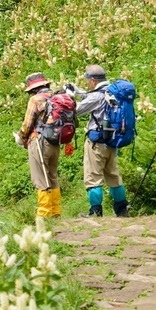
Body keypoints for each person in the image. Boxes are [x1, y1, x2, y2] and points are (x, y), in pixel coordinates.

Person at [65, 66, 129, 217]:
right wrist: (78, 90)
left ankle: (95, 211)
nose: (87, 83)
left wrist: (69, 97)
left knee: (93, 177)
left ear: (92, 80)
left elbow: (75, 110)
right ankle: (121, 209)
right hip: (113, 141)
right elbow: (90, 97)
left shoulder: (96, 96)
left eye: (88, 81)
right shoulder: (113, 92)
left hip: (96, 143)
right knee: (113, 175)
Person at [14, 72, 62, 218]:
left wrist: (20, 137)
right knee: (52, 175)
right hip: (55, 141)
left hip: (39, 142)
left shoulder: (35, 99)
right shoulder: (56, 97)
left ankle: (44, 212)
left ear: (33, 89)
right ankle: (55, 211)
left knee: (40, 177)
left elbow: (27, 124)